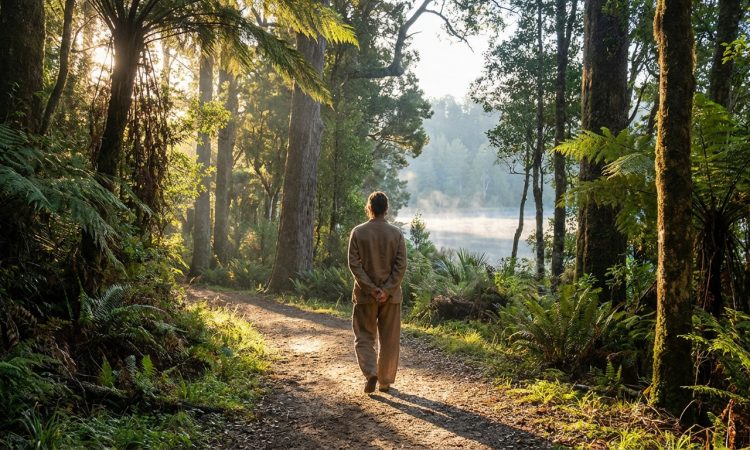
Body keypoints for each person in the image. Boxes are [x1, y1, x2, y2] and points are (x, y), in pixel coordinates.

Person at [347, 191, 407, 394]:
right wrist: (387, 290)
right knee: (390, 339)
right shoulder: (396, 234)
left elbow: (354, 265)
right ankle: (385, 381)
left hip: (365, 297)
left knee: (364, 336)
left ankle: (371, 372)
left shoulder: (358, 232)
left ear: (369, 208)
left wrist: (371, 289)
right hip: (391, 298)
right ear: (386, 209)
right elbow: (401, 266)